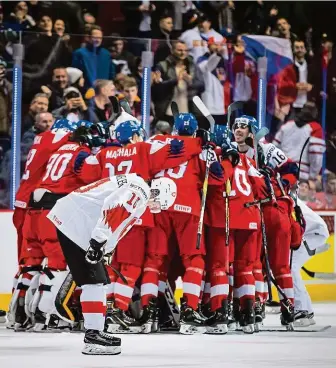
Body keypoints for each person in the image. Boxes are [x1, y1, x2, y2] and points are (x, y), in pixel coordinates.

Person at [77, 114, 208, 333]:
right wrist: (199, 141)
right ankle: (117, 311)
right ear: (135, 135)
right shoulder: (142, 149)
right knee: (131, 266)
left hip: (107, 217)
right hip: (132, 214)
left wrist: (84, 150)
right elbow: (176, 152)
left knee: (112, 266)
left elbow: (83, 172)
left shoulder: (105, 154)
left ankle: (110, 311)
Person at [140, 113, 227, 335]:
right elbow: (218, 181)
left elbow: (143, 163)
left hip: (157, 204)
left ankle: (148, 312)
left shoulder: (156, 142)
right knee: (194, 259)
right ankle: (190, 309)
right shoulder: (203, 147)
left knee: (154, 259)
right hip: (187, 206)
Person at [47, 173, 150, 354]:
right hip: (78, 223)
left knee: (95, 280)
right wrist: (97, 242)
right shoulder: (141, 190)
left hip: (75, 218)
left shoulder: (135, 182)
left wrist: (105, 247)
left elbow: (117, 219)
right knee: (94, 281)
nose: (157, 207)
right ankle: (93, 336)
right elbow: (115, 207)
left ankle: (95, 333)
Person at [290, 197, 329, 326]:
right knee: (291, 267)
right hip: (313, 232)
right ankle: (307, 310)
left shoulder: (286, 200)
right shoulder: (286, 196)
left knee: (291, 267)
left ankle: (302, 310)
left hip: (313, 233)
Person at [273, 102, 326, 181]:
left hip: (282, 171)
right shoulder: (316, 128)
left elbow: (274, 147)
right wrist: (313, 175)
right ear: (315, 113)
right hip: (302, 175)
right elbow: (316, 154)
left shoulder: (287, 125)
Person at [72, 25, 116, 90]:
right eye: (95, 37)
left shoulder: (106, 54)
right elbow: (75, 73)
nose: (97, 40)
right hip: (86, 91)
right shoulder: (79, 53)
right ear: (88, 38)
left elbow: (111, 74)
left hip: (104, 91)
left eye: (100, 38)